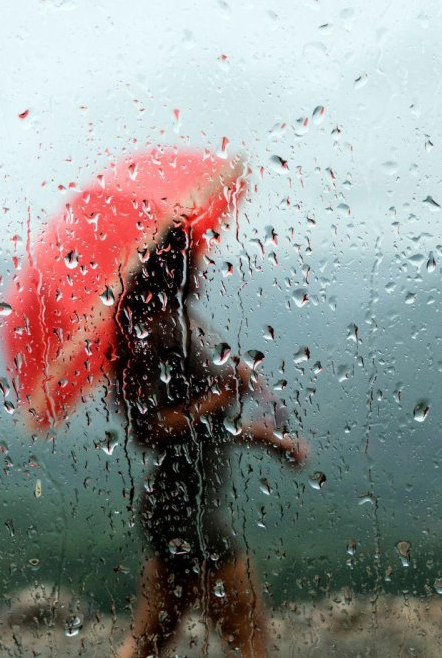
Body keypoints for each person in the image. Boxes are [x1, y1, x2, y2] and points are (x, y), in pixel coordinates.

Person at [112, 224, 308, 658]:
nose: (202, 271)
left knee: (154, 638)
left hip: (190, 501)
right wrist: (223, 393)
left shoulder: (180, 323)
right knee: (246, 628)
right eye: (193, 263)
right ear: (172, 270)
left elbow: (209, 429)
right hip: (183, 508)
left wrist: (270, 439)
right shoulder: (152, 332)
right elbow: (150, 429)